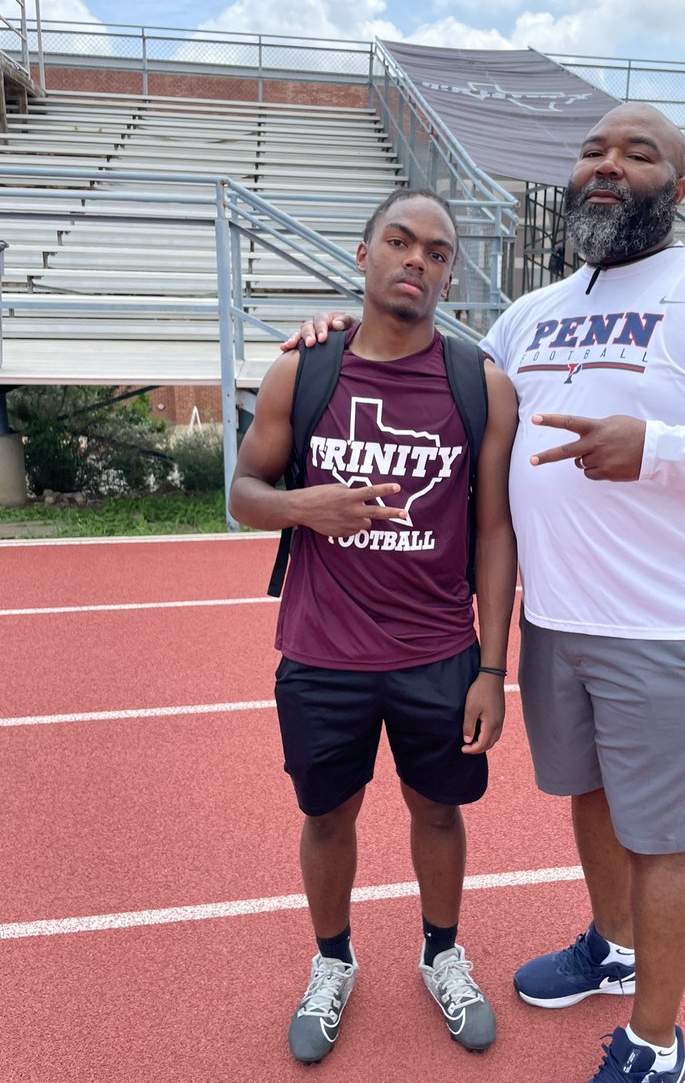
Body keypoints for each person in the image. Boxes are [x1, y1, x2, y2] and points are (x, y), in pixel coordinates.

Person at [285, 103, 685, 1083]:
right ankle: (613, 947)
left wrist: (656, 448)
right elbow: (430, 366)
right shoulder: (531, 315)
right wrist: (336, 331)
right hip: (555, 621)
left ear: (678, 186)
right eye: (593, 151)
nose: (608, 165)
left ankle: (657, 1046)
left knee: (664, 836)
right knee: (590, 795)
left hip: (668, 626)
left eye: (637, 154)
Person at [230, 188, 518, 1065]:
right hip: (322, 653)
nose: (416, 260)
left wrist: (492, 670)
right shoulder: (303, 371)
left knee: (439, 811)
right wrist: (304, 507)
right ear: (363, 255)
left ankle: (441, 955)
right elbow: (243, 495)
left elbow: (495, 530)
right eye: (399, 241)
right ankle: (332, 962)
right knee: (327, 815)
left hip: (439, 653)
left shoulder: (479, 384)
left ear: (449, 275)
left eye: (437, 251)